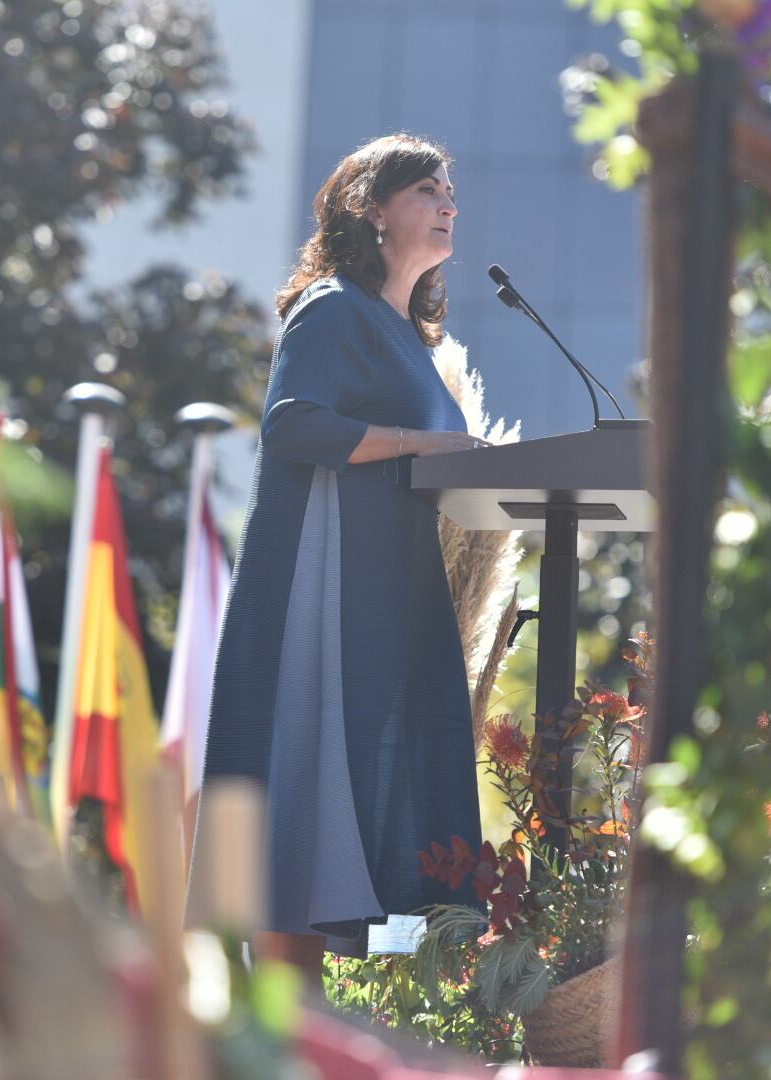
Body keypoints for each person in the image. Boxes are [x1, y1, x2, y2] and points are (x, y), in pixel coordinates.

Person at [187, 134, 487, 984]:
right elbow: (292, 423)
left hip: (391, 595)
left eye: (448, 188)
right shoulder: (330, 307)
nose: (448, 201)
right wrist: (423, 442)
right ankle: (283, 1040)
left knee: (359, 799)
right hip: (323, 586)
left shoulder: (408, 336)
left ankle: (308, 1037)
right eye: (427, 188)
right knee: (306, 802)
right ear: (373, 208)